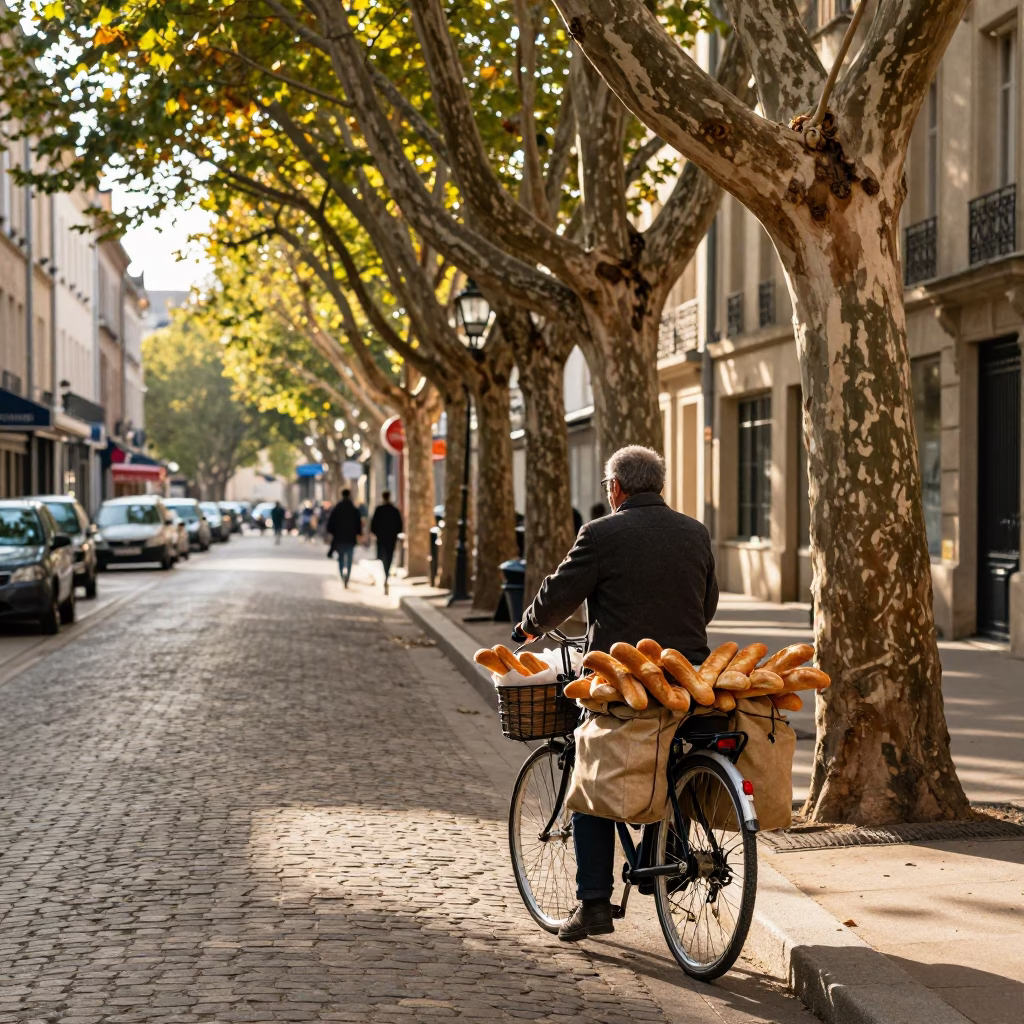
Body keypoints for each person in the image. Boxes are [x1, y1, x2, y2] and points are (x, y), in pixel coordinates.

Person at [518, 445, 718, 942]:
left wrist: (528, 628)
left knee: (590, 778)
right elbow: (706, 603)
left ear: (616, 489)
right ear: (660, 486)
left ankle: (593, 905)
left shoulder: (601, 534)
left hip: (621, 680)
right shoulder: (695, 532)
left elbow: (561, 591)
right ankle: (670, 857)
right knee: (675, 754)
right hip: (686, 676)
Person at [369, 491, 403, 596]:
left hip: (382, 538)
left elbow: (373, 525)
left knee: (384, 558)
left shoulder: (379, 510)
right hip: (391, 538)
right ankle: (386, 575)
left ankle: (386, 575)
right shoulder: (394, 510)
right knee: (389, 556)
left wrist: (378, 534)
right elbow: (400, 525)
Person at [326, 490, 362, 588]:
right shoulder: (353, 509)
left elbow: (330, 523)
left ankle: (343, 576)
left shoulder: (337, 508)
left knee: (341, 558)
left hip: (339, 538)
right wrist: (359, 534)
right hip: (350, 538)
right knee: (349, 559)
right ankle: (347, 577)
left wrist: (331, 533)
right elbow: (358, 524)